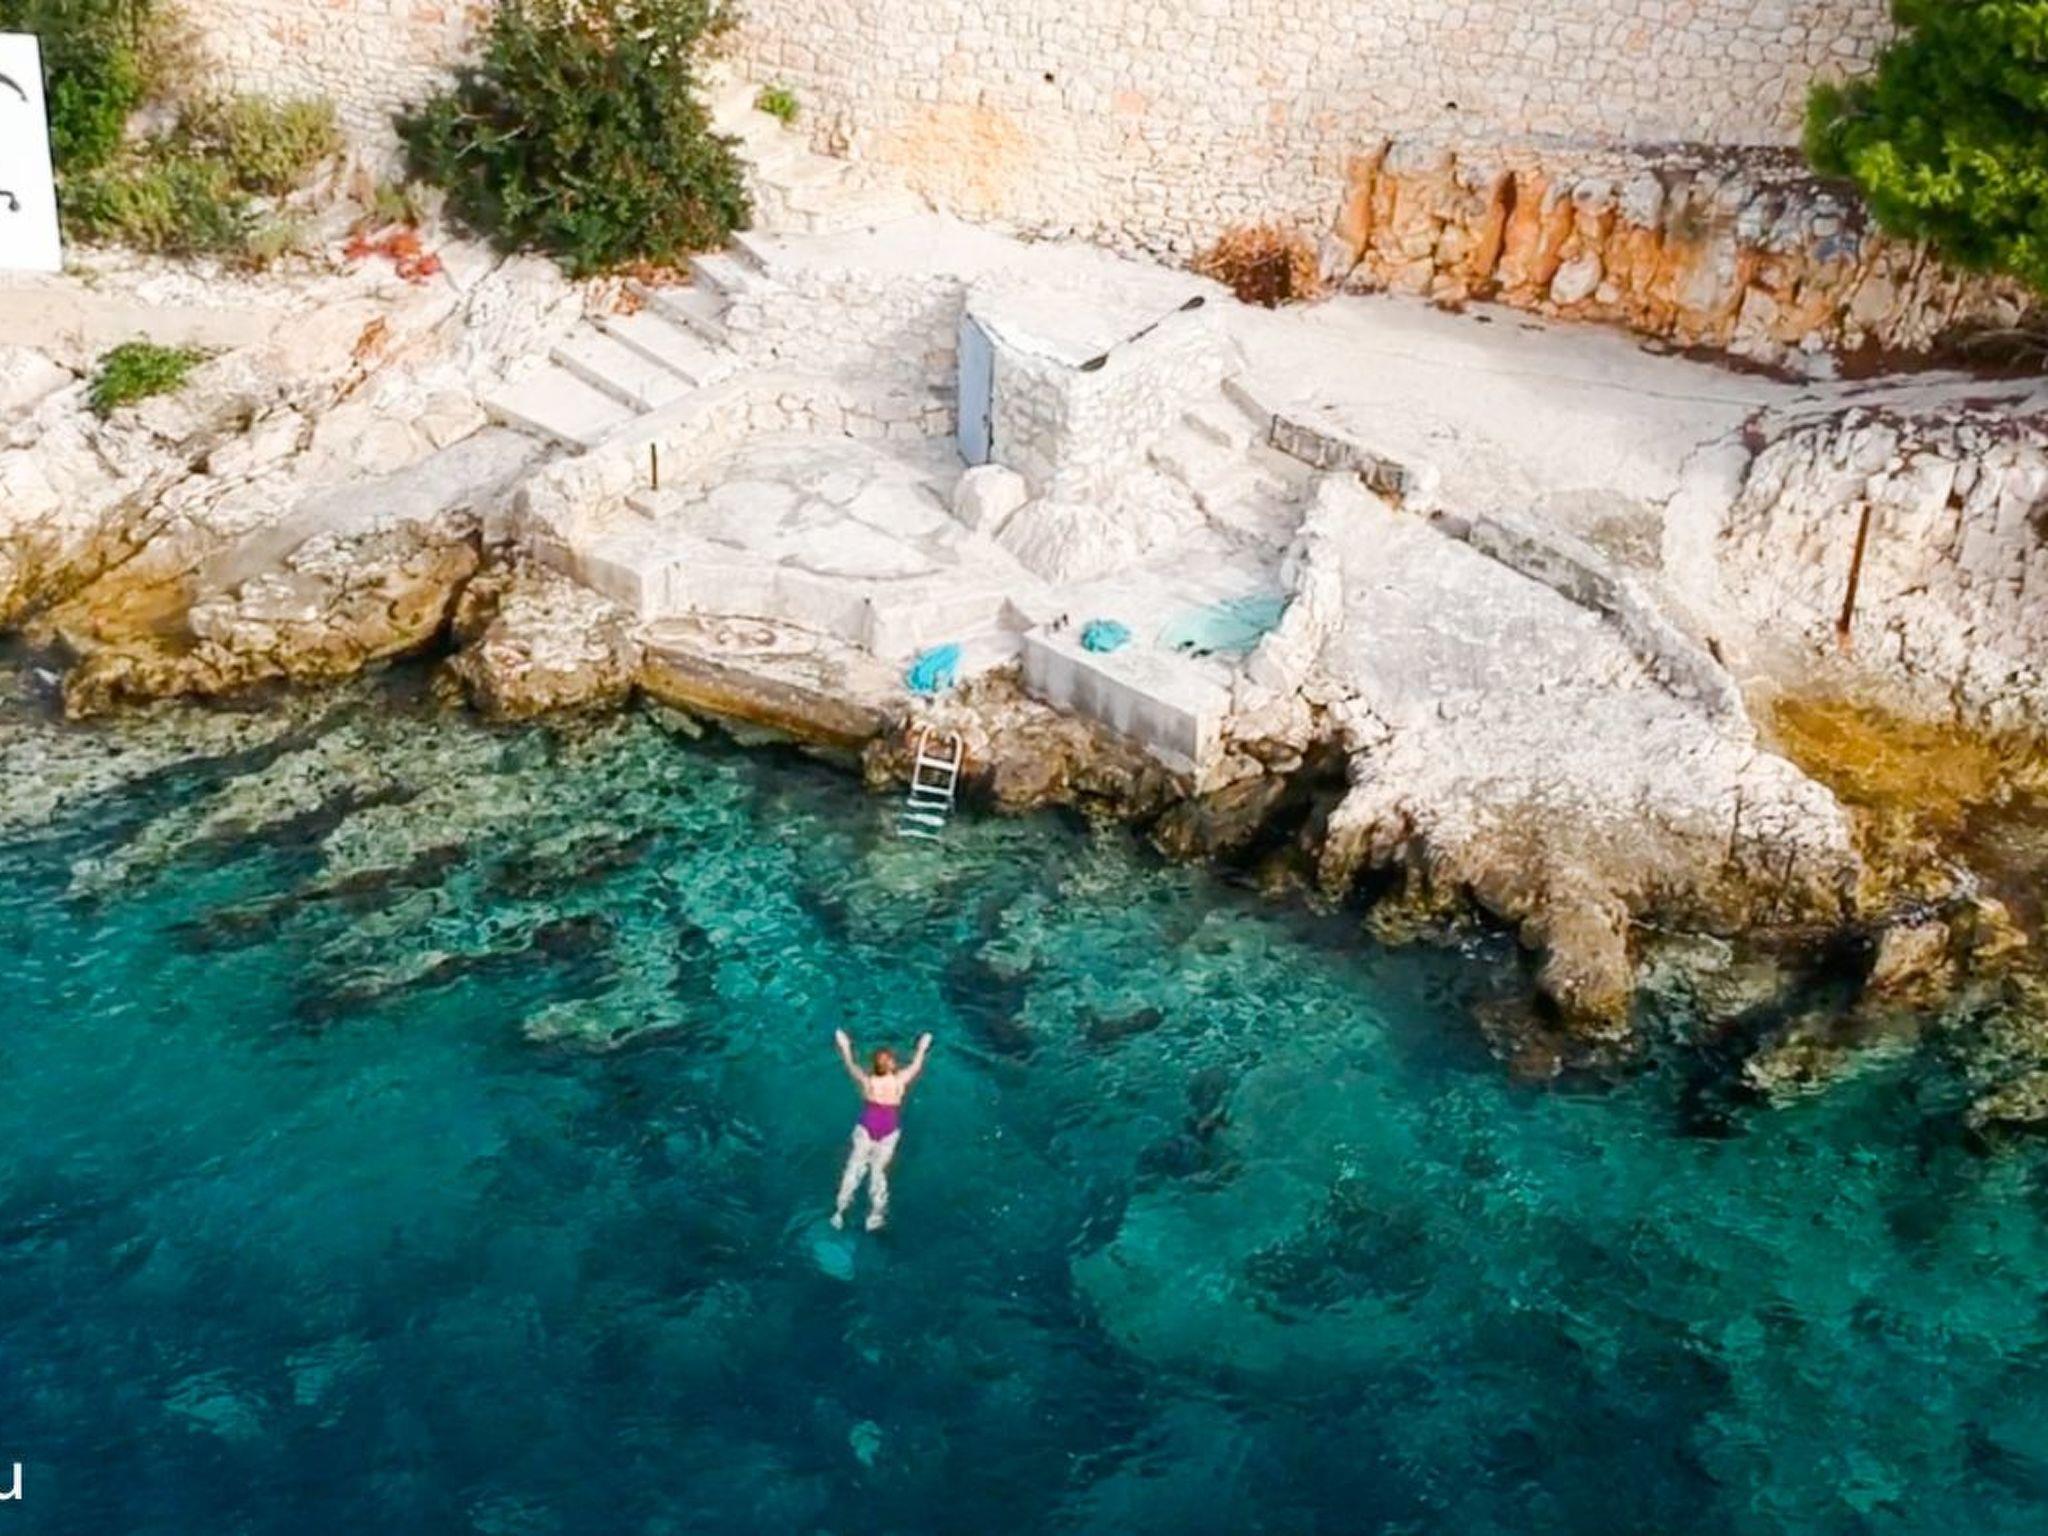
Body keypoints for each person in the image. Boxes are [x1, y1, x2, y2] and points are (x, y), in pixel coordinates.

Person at [830, 1028, 932, 1231]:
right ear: (892, 1064)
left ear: (874, 1066)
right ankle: (875, 1216)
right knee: (878, 1171)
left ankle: (839, 1212)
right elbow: (916, 1065)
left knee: (854, 1167)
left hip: (867, 1126)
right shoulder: (899, 1081)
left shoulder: (868, 1082)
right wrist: (922, 1046)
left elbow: (850, 1065)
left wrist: (845, 1046)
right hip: (888, 1129)